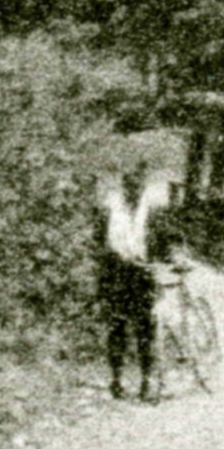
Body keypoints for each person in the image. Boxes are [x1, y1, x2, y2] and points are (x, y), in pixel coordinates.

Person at [95, 163, 172, 401]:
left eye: (138, 186)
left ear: (142, 187)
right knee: (116, 328)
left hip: (142, 273)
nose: (134, 190)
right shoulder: (110, 208)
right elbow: (98, 240)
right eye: (130, 185)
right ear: (124, 186)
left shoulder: (152, 211)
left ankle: (147, 381)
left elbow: (163, 241)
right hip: (116, 273)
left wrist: (166, 261)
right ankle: (117, 379)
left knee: (145, 328)